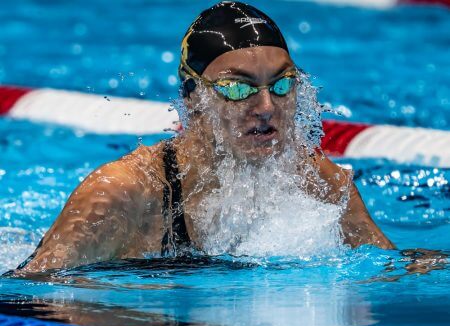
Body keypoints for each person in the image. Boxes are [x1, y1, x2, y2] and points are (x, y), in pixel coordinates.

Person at [17, 1, 394, 273]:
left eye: (282, 85)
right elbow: (31, 301)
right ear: (193, 98)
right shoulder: (123, 194)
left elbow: (393, 270)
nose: (266, 106)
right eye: (237, 88)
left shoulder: (315, 180)